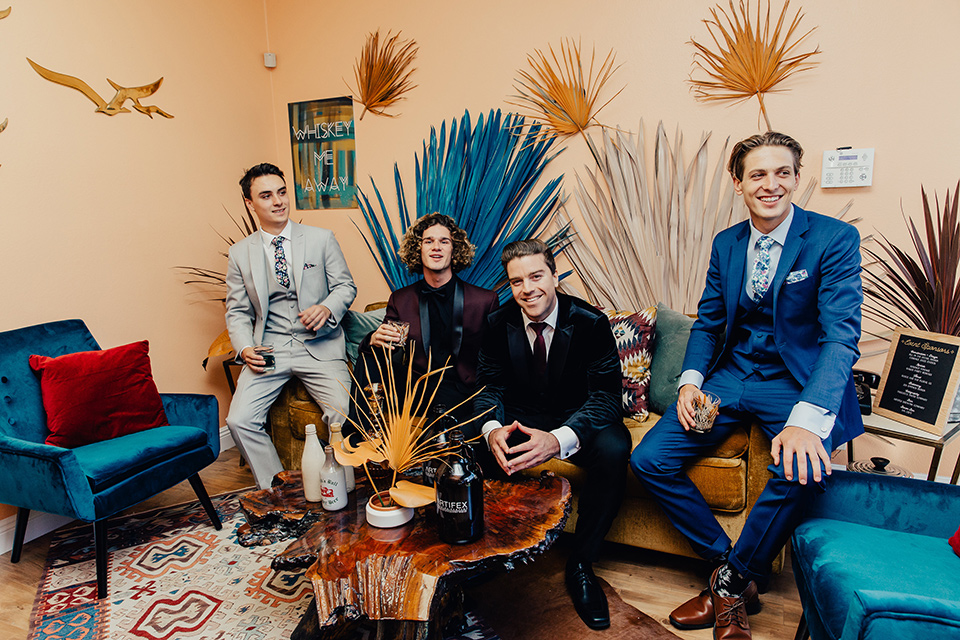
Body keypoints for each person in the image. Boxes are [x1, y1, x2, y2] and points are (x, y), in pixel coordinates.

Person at [630, 132, 863, 640]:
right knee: (649, 460)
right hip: (732, 376)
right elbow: (709, 324)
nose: (771, 184)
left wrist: (807, 421)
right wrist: (691, 381)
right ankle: (726, 568)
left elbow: (840, 337)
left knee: (800, 468)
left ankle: (731, 584)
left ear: (797, 178)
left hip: (794, 382)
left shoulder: (833, 238)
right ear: (739, 183)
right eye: (758, 174)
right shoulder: (727, 243)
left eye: (782, 173)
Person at [471, 239, 630, 630]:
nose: (528, 289)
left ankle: (581, 564)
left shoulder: (591, 323)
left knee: (615, 447)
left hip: (577, 419)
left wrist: (558, 439)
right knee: (472, 444)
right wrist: (492, 430)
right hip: (523, 419)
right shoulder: (496, 324)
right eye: (516, 281)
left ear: (554, 276)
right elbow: (488, 389)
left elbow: (607, 398)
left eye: (537, 276)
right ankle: (488, 554)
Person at [225, 162, 357, 490]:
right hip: (269, 350)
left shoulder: (320, 239)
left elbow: (346, 287)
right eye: (267, 195)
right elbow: (237, 311)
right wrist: (244, 347)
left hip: (319, 346)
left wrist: (327, 307)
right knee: (238, 420)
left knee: (341, 412)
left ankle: (339, 486)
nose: (278, 201)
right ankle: (277, 490)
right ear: (250, 203)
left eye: (282, 192)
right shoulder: (240, 254)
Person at [352, 213, 498, 424]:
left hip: (462, 389)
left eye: (444, 241)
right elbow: (387, 347)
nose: (436, 246)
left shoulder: (485, 300)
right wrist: (373, 340)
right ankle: (357, 435)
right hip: (417, 388)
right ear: (418, 250)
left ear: (454, 249)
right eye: (428, 241)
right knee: (369, 355)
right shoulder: (401, 299)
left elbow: (495, 360)